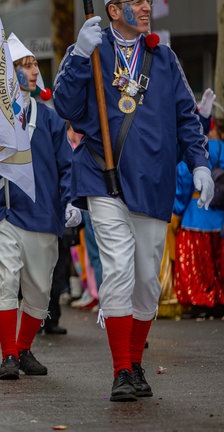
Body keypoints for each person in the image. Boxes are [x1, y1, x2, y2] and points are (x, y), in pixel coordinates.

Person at [53, 0, 213, 401]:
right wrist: (77, 54)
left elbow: (186, 117)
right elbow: (65, 107)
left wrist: (200, 164)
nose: (146, 8)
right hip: (101, 178)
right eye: (137, 2)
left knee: (146, 283)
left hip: (153, 184)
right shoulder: (91, 50)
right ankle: (122, 370)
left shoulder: (164, 58)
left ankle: (136, 361)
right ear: (113, 9)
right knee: (119, 270)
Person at [0, 34, 78, 380]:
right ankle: (9, 356)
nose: (33, 70)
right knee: (6, 278)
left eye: (33, 65)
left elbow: (66, 166)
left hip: (44, 213)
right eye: (25, 65)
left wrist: (71, 200)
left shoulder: (51, 120)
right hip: (4, 212)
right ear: (8, 74)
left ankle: (25, 348)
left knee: (40, 290)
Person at [172, 118, 224, 317]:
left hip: (195, 215)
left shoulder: (193, 148)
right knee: (217, 262)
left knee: (195, 264)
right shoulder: (221, 148)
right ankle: (218, 301)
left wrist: (176, 211)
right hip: (219, 217)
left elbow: (184, 180)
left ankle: (200, 302)